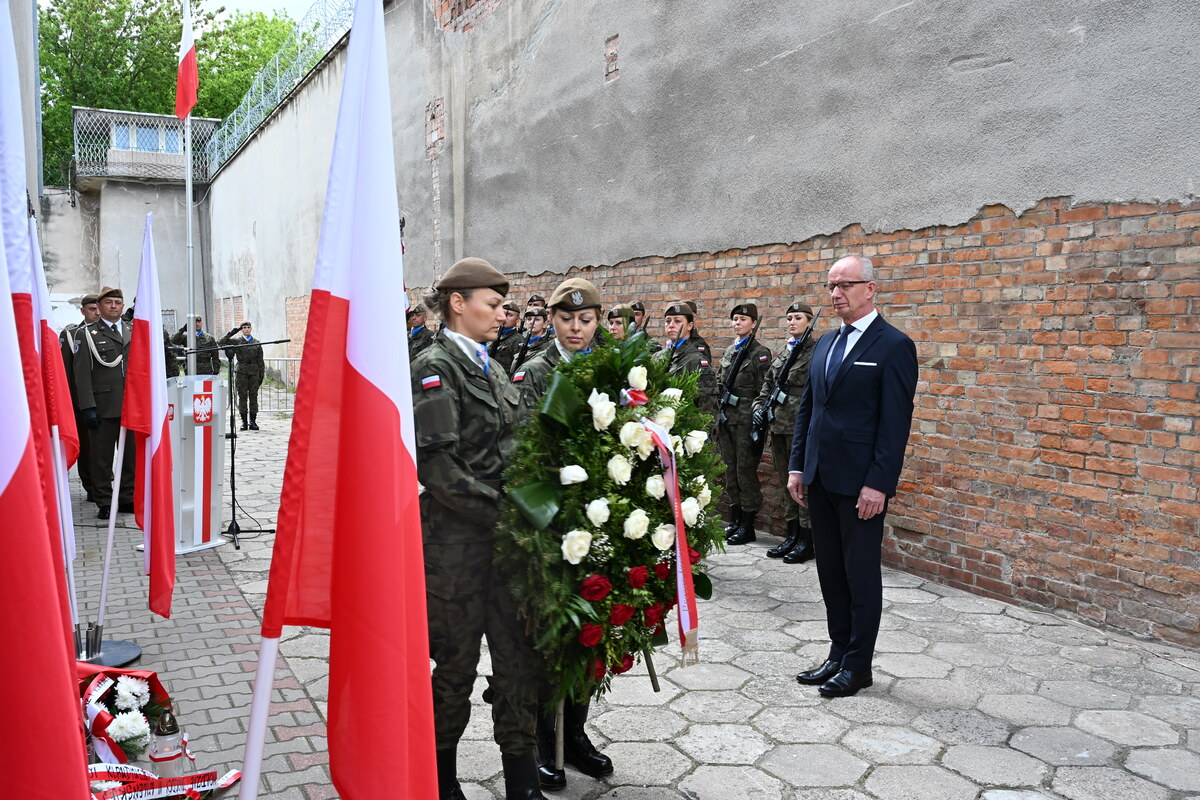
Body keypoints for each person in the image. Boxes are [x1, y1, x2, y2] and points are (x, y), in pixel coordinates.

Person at [410, 257, 547, 800]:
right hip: (456, 552)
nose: (502, 313)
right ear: (458, 303)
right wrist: (512, 512)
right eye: (493, 304)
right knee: (455, 669)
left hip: (507, 548)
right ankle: (440, 782)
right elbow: (439, 470)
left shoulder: (492, 365)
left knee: (518, 662)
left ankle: (522, 781)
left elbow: (514, 447)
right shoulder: (435, 366)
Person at [788, 255, 918, 698]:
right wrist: (798, 465)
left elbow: (895, 424)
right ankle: (838, 653)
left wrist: (878, 483)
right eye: (831, 286)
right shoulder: (825, 342)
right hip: (820, 478)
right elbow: (809, 409)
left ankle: (858, 666)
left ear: (870, 289)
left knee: (859, 575)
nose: (836, 294)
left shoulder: (893, 346)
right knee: (830, 572)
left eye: (845, 285)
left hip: (861, 485)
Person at [510, 277, 614, 792]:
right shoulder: (534, 372)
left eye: (586, 320)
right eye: (567, 319)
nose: (576, 328)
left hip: (601, 523)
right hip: (551, 524)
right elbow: (524, 452)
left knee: (590, 632)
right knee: (547, 638)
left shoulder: (611, 369)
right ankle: (538, 739)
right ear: (551, 319)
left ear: (598, 321)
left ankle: (573, 734)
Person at [752, 302, 818, 562]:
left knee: (803, 486)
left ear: (810, 322)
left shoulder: (816, 352)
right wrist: (758, 408)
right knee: (785, 483)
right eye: (789, 318)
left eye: (798, 318)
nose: (792, 322)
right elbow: (768, 384)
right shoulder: (785, 351)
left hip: (799, 430)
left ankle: (806, 541)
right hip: (778, 426)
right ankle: (791, 536)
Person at [73, 286, 135, 519]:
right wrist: (87, 406)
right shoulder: (87, 334)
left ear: (122, 306)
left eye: (118, 303)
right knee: (101, 459)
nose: (113, 306)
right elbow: (81, 374)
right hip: (102, 405)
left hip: (130, 405)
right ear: (99, 306)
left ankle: (127, 497)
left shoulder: (132, 330)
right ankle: (105, 501)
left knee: (130, 457)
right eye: (108, 302)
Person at [717, 303, 771, 545]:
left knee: (745, 472)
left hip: (746, 422)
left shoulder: (760, 353)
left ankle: (748, 526)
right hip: (727, 420)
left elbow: (763, 391)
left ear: (753, 323)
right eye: (735, 319)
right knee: (730, 471)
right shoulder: (730, 351)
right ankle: (736, 520)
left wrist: (758, 423)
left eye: (742, 319)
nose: (737, 323)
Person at [60, 293, 100, 502]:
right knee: (88, 446)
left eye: (99, 308)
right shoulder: (71, 335)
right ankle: (91, 486)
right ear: (83, 310)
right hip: (81, 401)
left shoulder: (113, 333)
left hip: (108, 399)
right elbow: (66, 371)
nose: (97, 312)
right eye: (92, 309)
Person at [660, 302, 718, 414]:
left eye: (677, 321)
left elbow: (709, 410)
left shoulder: (697, 361)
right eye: (668, 321)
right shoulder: (658, 356)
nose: (671, 325)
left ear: (690, 326)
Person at [219, 322, 265, 431]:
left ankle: (253, 421)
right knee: (242, 396)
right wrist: (232, 333)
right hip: (242, 372)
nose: (246, 329)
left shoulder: (256, 342)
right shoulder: (237, 341)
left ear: (251, 329)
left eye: (248, 327)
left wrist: (261, 375)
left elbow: (260, 361)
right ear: (242, 330)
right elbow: (221, 343)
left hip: (254, 371)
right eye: (244, 328)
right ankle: (244, 422)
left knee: (253, 396)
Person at [509, 308, 550, 376]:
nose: (531, 322)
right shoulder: (522, 343)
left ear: (545, 324)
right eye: (529, 319)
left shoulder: (547, 347)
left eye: (537, 319)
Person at [491, 301, 524, 373]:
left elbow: (517, 367)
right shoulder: (490, 334)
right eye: (503, 314)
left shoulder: (518, 340)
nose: (505, 318)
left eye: (510, 315)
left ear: (517, 319)